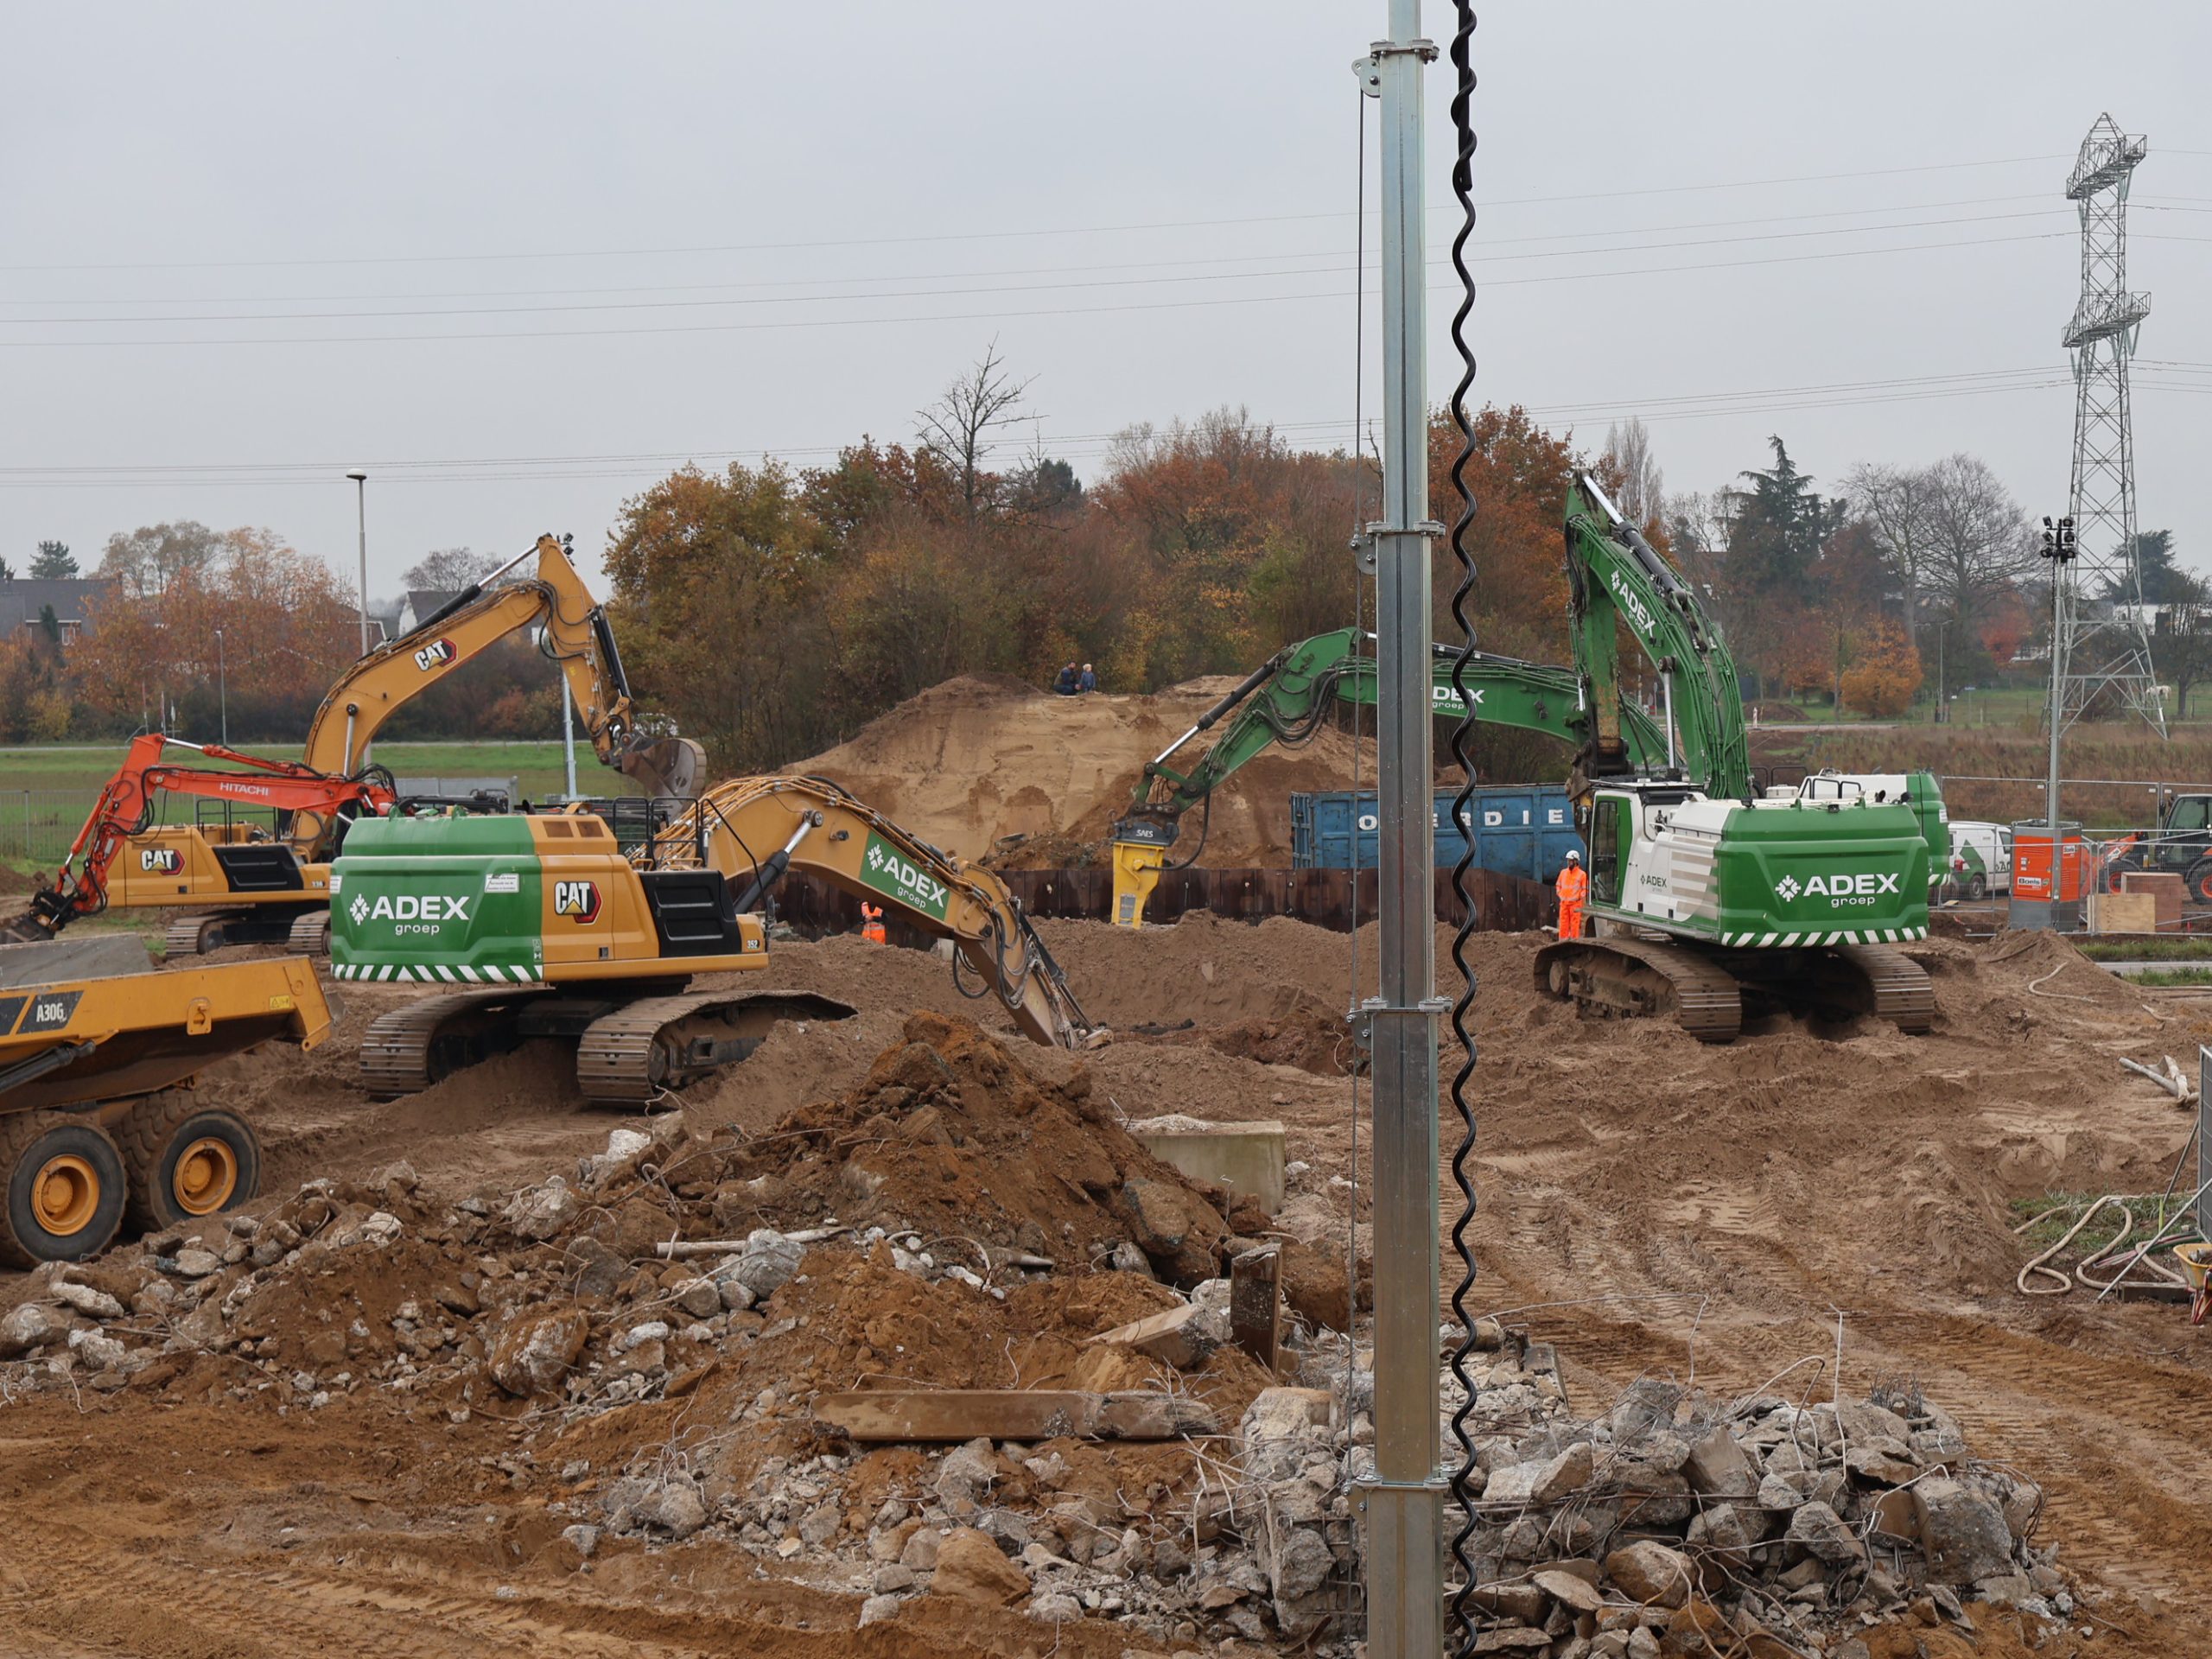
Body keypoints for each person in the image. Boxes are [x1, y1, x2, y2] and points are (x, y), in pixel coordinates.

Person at [1554, 849, 1588, 941]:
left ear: (1576, 861)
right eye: (1568, 860)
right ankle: (1562, 943)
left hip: (1575, 905)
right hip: (1564, 904)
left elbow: (1584, 890)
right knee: (1563, 925)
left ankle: (1573, 943)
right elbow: (1558, 886)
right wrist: (1561, 896)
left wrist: (1577, 898)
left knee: (1574, 926)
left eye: (1570, 861)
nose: (1568, 862)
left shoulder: (1582, 875)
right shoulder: (1563, 873)